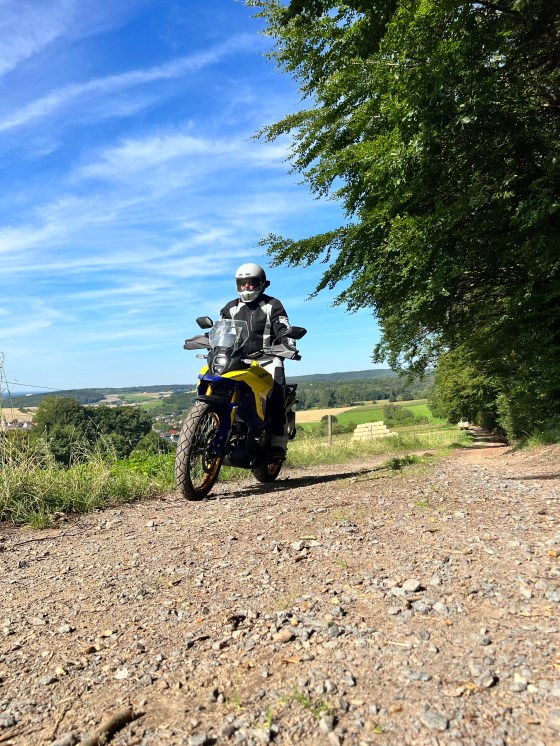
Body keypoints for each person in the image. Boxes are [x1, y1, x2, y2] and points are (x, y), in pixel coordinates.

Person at [220, 262, 291, 459]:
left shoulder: (272, 305)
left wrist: (288, 343)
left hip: (267, 359)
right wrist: (208, 339)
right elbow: (221, 330)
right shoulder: (231, 308)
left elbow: (283, 328)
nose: (246, 287)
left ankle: (278, 441)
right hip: (237, 360)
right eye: (242, 283)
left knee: (276, 391)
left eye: (251, 282)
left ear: (261, 283)